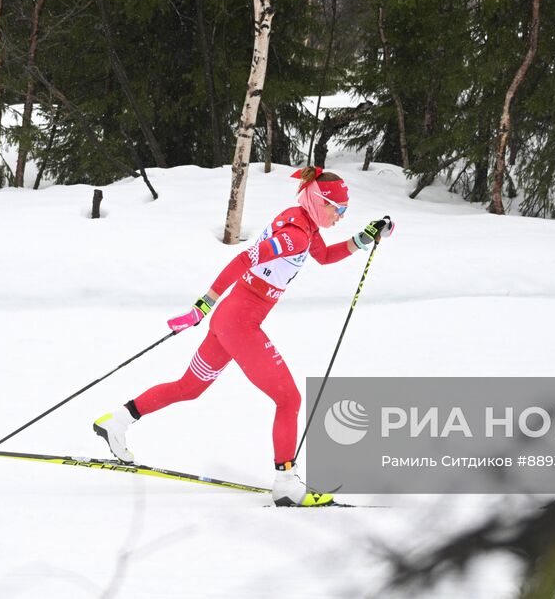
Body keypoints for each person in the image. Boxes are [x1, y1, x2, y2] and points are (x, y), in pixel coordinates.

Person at [92, 167, 394, 506]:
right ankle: (286, 484)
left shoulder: (302, 221)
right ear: (317, 201)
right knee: (289, 399)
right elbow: (243, 259)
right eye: (336, 209)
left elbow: (323, 256)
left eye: (344, 212)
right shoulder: (295, 235)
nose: (340, 216)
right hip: (240, 324)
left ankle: (116, 421)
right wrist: (202, 305)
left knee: (189, 387)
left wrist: (364, 238)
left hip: (229, 322)